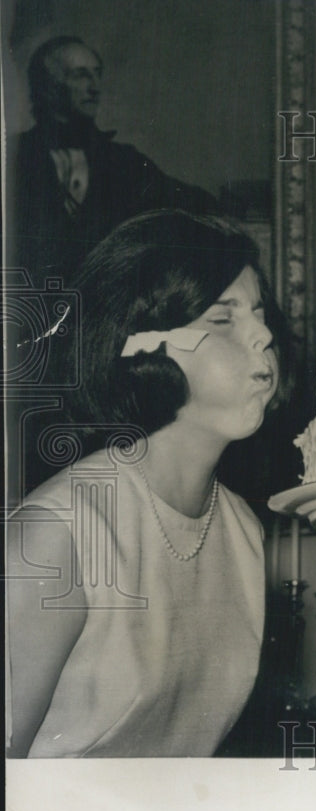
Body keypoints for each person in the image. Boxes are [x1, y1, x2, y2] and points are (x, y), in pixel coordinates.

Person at [5, 210, 290, 757]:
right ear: (141, 343)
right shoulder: (59, 534)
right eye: (222, 319)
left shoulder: (241, 530)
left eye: (259, 314)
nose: (264, 336)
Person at [9, 36, 218, 284]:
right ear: (50, 87)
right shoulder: (14, 157)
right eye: (80, 75)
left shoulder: (123, 161)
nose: (95, 86)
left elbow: (192, 202)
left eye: (97, 74)